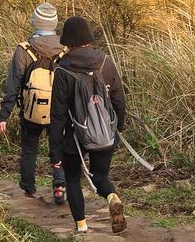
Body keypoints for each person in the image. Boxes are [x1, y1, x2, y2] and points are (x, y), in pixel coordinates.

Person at [49, 16, 127, 235]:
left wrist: (55, 151)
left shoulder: (62, 70)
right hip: (104, 132)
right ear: (88, 37)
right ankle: (112, 197)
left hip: (73, 135)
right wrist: (117, 128)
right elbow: (119, 100)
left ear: (67, 40)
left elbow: (57, 115)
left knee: (72, 178)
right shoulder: (106, 62)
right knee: (100, 176)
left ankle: (82, 228)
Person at [0, 2, 67, 205]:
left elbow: (13, 84)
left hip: (30, 110)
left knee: (29, 149)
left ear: (35, 22)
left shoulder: (23, 50)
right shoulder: (65, 49)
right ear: (55, 23)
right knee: (58, 148)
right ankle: (60, 186)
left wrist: (3, 116)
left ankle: (29, 189)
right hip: (58, 111)